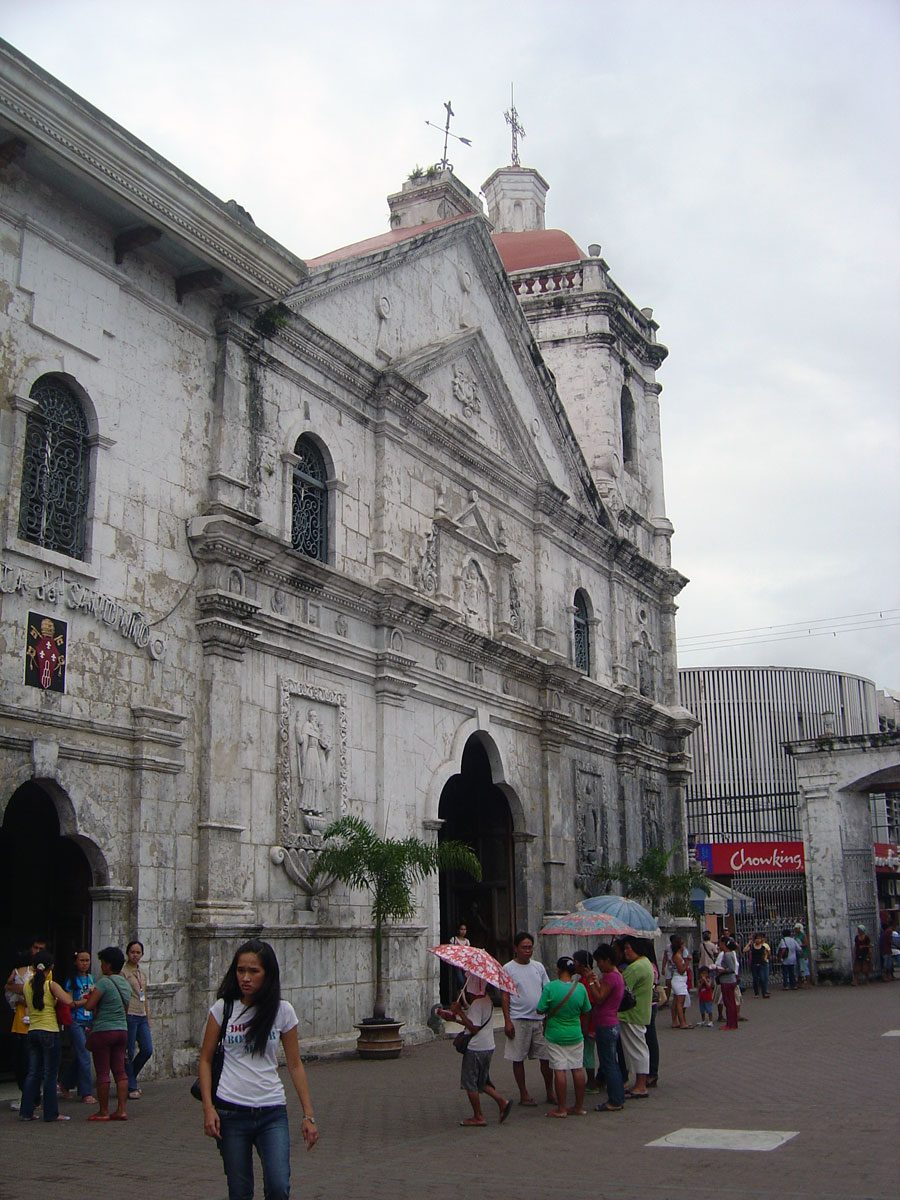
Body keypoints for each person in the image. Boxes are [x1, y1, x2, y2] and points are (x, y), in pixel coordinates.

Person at [199, 939, 318, 1200]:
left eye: (254, 971)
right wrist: (209, 1108)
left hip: (271, 1112)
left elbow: (295, 1064)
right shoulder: (223, 1009)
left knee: (278, 1187)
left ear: (268, 974)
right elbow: (205, 1060)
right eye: (241, 970)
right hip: (231, 1112)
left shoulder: (282, 1011)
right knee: (239, 1191)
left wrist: (308, 1115)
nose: (246, 978)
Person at [437, 972, 512, 1127]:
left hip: (476, 1048)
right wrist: (456, 1017)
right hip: (487, 1046)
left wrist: (459, 1012)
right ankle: (502, 1102)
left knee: (470, 1082)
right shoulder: (487, 1001)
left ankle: (478, 1116)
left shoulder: (478, 1004)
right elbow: (472, 1023)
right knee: (481, 1081)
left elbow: (474, 1028)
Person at [500, 931, 555, 1106]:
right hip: (518, 1019)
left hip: (538, 1019)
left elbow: (547, 989)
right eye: (524, 947)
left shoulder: (538, 967)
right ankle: (524, 1094)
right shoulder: (508, 968)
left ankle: (550, 1091)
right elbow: (505, 996)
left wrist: (547, 1013)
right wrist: (507, 1020)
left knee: (545, 1057)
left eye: (530, 947)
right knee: (518, 1058)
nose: (527, 951)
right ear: (515, 948)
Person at [18, 951, 73, 1122]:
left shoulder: (27, 985)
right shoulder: (51, 985)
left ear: (33, 968)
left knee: (33, 1073)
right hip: (49, 1031)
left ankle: (26, 1112)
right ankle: (51, 1113)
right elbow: (69, 1001)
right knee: (50, 1074)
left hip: (33, 1031)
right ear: (51, 968)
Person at [536, 956, 591, 1118]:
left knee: (559, 1070)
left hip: (555, 1034)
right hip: (575, 1033)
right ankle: (579, 1107)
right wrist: (584, 1029)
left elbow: (540, 1009)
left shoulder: (550, 988)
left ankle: (561, 1108)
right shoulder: (580, 988)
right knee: (577, 1069)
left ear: (558, 969)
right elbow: (587, 1010)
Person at [82, 946, 131, 1121]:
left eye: (102, 963)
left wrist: (87, 998)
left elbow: (89, 1006)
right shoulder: (125, 983)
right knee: (120, 1070)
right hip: (122, 1029)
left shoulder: (103, 982)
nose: (101, 966)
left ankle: (103, 1111)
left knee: (103, 1071)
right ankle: (122, 1109)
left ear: (108, 965)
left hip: (104, 1030)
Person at [4, 935, 47, 1111]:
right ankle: (27, 1095)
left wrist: (22, 991)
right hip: (19, 1022)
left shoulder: (47, 972)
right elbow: (8, 988)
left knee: (34, 1064)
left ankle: (33, 1098)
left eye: (41, 949)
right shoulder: (19, 970)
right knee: (20, 1063)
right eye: (35, 948)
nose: (37, 952)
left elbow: (42, 993)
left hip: (38, 1023)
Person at [589, 943, 626, 1112]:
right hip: (610, 1022)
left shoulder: (611, 976)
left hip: (606, 1023)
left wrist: (591, 983)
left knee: (608, 1063)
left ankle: (615, 1099)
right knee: (611, 1062)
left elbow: (599, 998)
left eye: (600, 961)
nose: (598, 965)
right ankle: (617, 1097)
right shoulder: (615, 976)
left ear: (608, 960)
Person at [617, 936, 654, 1098]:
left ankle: (640, 1085)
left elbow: (621, 988)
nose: (625, 952)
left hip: (632, 1013)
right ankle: (639, 1082)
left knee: (637, 1049)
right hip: (640, 1012)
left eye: (628, 948)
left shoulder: (636, 967)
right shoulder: (646, 963)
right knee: (638, 1047)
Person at [60, 949, 97, 1104]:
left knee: (80, 1055)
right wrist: (86, 1001)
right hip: (76, 1021)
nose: (85, 964)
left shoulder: (91, 978)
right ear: (76, 962)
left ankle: (65, 1083)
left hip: (89, 1020)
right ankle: (86, 1092)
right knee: (84, 1055)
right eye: (82, 960)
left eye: (87, 960)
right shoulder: (71, 981)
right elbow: (70, 1002)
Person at [122, 939, 153, 1098]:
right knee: (129, 1051)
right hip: (129, 1014)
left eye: (138, 952)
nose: (135, 955)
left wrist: (148, 1017)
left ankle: (128, 1078)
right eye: (132, 952)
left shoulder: (142, 974)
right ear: (127, 953)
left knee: (147, 1049)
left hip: (141, 1015)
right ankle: (131, 1085)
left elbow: (144, 996)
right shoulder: (123, 973)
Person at [571, 950, 598, 1090]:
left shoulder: (587, 982)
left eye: (575, 962)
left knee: (587, 1052)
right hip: (587, 1021)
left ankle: (591, 1081)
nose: (573, 965)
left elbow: (590, 1005)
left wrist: (586, 1026)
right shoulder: (582, 980)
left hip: (588, 1022)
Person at [715, 937, 739, 1031]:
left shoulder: (727, 955)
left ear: (724, 944)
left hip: (727, 981)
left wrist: (721, 971)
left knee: (729, 1003)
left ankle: (731, 1024)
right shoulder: (729, 953)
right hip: (729, 981)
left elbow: (731, 969)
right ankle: (733, 1023)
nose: (719, 946)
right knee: (730, 1003)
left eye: (720, 944)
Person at [668, 935, 692, 1029]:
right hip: (679, 979)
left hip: (679, 979)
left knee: (676, 1001)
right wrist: (687, 961)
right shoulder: (677, 957)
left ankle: (676, 1021)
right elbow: (681, 970)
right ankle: (682, 1022)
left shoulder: (678, 956)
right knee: (680, 1002)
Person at [744, 932, 771, 998]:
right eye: (756, 939)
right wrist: (749, 943)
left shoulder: (763, 947)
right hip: (754, 965)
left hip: (761, 964)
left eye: (759, 938)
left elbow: (767, 954)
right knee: (755, 979)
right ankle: (756, 993)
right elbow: (744, 950)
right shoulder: (752, 946)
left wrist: (765, 959)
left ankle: (764, 993)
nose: (758, 940)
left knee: (762, 979)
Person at [448, 922, 471, 995]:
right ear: (458, 930)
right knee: (460, 981)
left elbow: (469, 953)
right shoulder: (453, 939)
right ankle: (464, 1002)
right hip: (457, 963)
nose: (463, 931)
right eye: (461, 929)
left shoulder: (467, 941)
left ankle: (462, 1000)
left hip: (464, 963)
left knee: (464, 982)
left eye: (465, 929)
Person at [793, 923, 812, 987]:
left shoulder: (803, 935)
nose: (795, 930)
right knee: (798, 969)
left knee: (805, 968)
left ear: (799, 928)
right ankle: (799, 982)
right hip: (797, 954)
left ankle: (808, 982)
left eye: (796, 928)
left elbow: (806, 944)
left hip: (803, 953)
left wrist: (799, 946)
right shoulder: (795, 936)